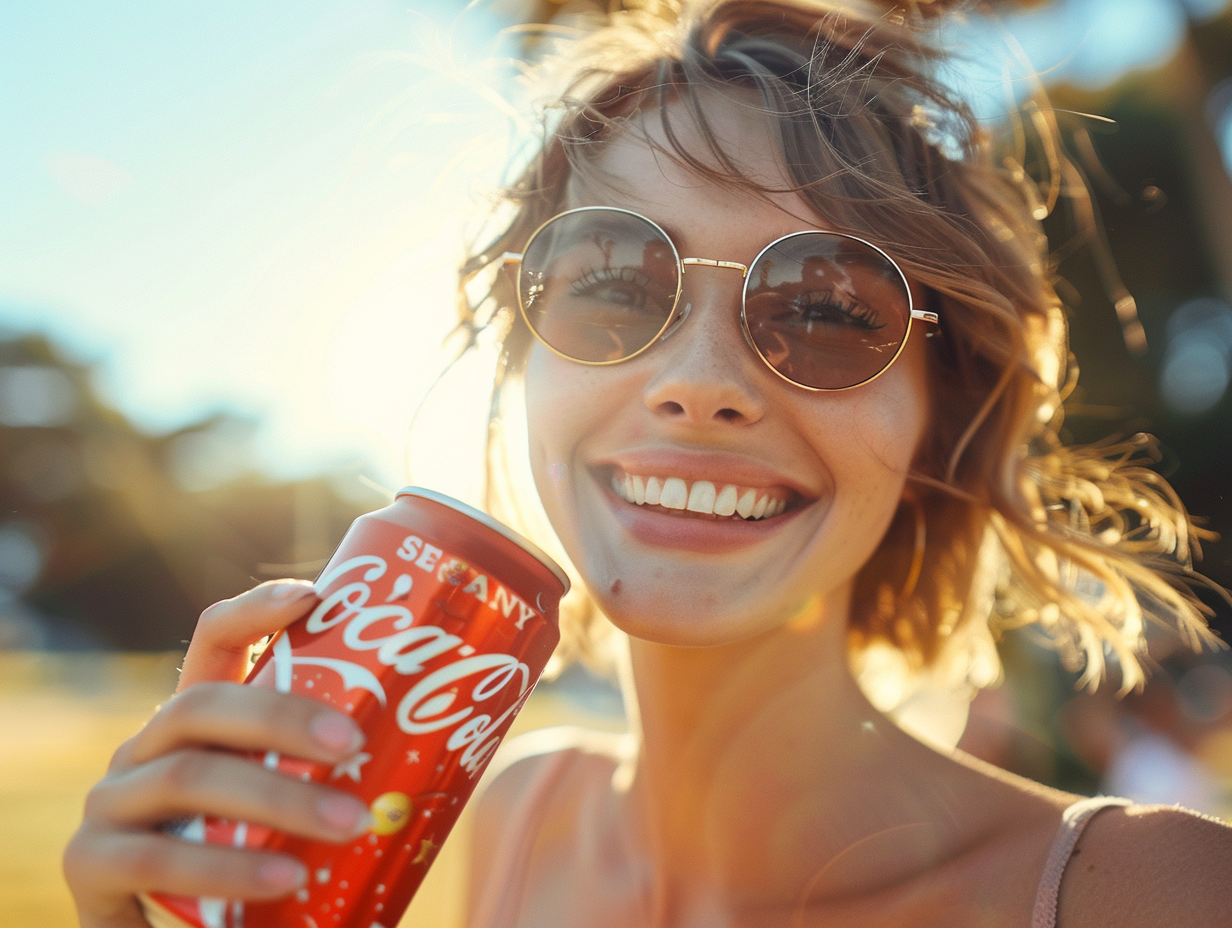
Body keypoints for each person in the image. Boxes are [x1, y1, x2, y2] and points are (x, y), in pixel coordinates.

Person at [64, 1, 1232, 925]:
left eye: (827, 308)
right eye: (613, 280)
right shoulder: (513, 817)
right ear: (524, 361)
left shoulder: (1155, 897)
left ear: (940, 415)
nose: (699, 379)